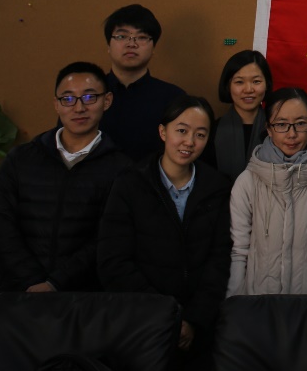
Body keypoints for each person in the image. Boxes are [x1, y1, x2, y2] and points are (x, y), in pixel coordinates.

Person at [98, 95, 232, 367]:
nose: (189, 142)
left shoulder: (217, 187)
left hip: (197, 332)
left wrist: (192, 320)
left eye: (200, 134)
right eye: (181, 131)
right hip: (140, 324)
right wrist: (165, 315)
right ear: (163, 132)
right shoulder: (130, 184)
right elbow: (113, 260)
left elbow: (220, 260)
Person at [0, 62, 132, 293]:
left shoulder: (122, 169)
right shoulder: (21, 159)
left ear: (107, 101)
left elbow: (109, 237)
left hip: (82, 297)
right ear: (56, 104)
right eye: (68, 98)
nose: (79, 108)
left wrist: (55, 283)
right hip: (19, 293)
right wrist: (31, 281)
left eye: (89, 97)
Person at [227, 87, 307, 296]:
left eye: (300, 124)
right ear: (269, 129)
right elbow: (239, 253)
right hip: (258, 304)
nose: (292, 134)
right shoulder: (248, 181)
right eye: (281, 124)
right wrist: (234, 305)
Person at [99, 4, 184, 160]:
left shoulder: (174, 98)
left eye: (142, 37)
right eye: (121, 36)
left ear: (153, 48)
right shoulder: (87, 94)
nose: (131, 44)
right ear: (108, 46)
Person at [207, 49, 272, 179]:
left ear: (267, 84)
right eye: (239, 82)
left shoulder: (278, 129)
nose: (248, 89)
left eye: (256, 81)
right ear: (228, 86)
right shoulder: (212, 131)